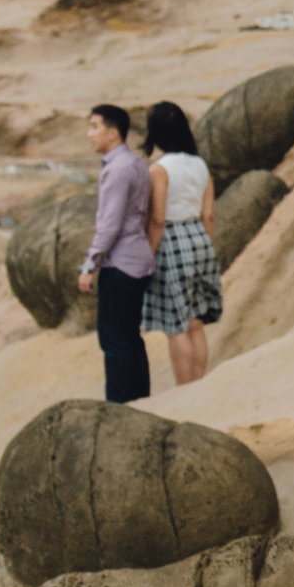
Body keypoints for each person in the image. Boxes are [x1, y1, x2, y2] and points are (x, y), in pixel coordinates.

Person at [138, 100, 223, 386]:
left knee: (177, 326)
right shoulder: (201, 165)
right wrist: (205, 246)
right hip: (200, 239)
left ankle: (185, 388)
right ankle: (199, 384)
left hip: (172, 241)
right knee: (196, 322)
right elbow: (208, 214)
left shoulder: (159, 170)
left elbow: (157, 219)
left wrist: (147, 256)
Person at [76, 103, 154, 403]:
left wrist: (90, 264)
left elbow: (110, 223)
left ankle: (120, 407)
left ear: (113, 132)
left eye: (95, 126)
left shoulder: (119, 169)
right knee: (130, 337)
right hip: (138, 259)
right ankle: (141, 400)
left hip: (121, 263)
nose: (89, 133)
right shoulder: (134, 163)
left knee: (115, 340)